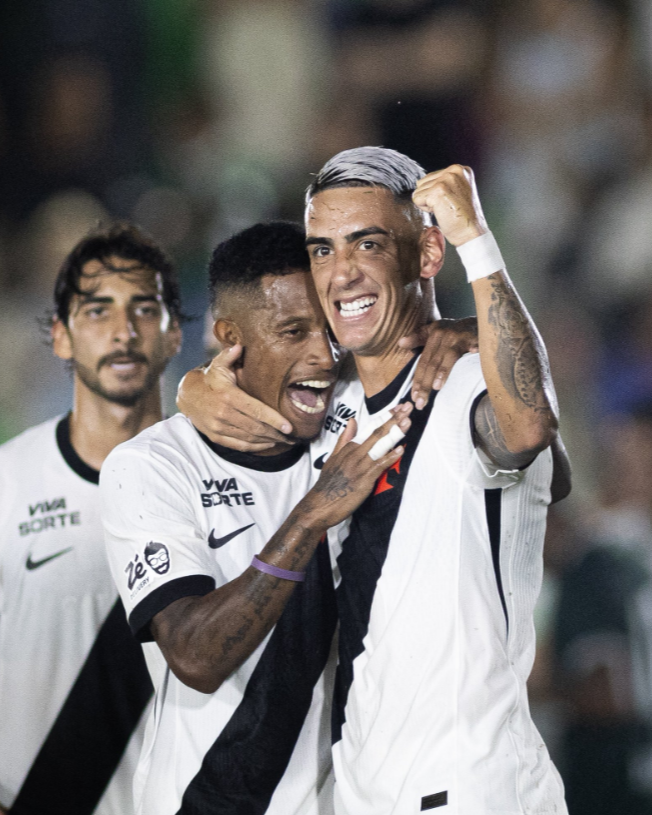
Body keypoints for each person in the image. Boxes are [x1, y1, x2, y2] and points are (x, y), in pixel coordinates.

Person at [181, 149, 572, 815]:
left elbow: (531, 428)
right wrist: (193, 389)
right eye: (323, 250)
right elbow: (224, 393)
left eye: (368, 244)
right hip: (364, 792)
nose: (342, 273)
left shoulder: (469, 384)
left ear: (427, 253)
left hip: (470, 789)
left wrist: (476, 242)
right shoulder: (330, 405)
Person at [100, 221, 413, 815]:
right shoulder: (151, 466)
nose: (323, 355)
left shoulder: (352, 425)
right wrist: (311, 515)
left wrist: (458, 332)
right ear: (230, 339)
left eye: (329, 329)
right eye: (293, 331)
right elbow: (196, 656)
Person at [0, 223, 183, 815]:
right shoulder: (8, 482)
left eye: (144, 309)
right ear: (60, 336)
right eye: (98, 311)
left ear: (175, 333)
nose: (123, 332)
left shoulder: (213, 483)